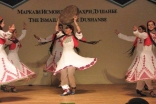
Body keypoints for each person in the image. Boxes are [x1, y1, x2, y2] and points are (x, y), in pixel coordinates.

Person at [54, 16, 99, 96]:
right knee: (63, 74)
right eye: (65, 29)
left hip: (72, 58)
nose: (65, 30)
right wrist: (58, 20)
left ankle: (73, 88)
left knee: (70, 74)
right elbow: (57, 30)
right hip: (64, 58)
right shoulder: (63, 37)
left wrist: (75, 21)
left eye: (67, 29)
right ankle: (66, 90)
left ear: (71, 30)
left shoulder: (75, 37)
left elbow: (79, 30)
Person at [115, 25, 149, 96]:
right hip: (139, 58)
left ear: (143, 30)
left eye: (140, 29)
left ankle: (144, 87)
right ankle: (141, 88)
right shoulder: (137, 38)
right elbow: (127, 38)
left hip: (146, 58)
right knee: (141, 72)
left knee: (146, 72)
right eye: (138, 29)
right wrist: (119, 34)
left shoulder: (147, 38)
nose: (139, 30)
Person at [1, 22, 36, 92]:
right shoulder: (10, 41)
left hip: (16, 56)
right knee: (13, 70)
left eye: (16, 32)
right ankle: (11, 86)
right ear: (12, 34)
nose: (16, 34)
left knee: (17, 70)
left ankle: (7, 85)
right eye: (15, 32)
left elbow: (22, 36)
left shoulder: (16, 40)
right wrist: (9, 32)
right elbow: (5, 37)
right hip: (11, 56)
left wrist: (24, 29)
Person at [126, 20, 156, 97]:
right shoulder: (145, 34)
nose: (150, 26)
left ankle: (139, 89)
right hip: (144, 57)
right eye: (149, 25)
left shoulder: (154, 35)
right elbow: (139, 34)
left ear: (154, 26)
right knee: (146, 74)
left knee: (143, 75)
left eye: (152, 25)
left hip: (150, 56)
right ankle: (151, 90)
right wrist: (135, 31)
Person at [0, 17, 27, 89]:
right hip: (8, 56)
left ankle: (9, 85)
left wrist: (24, 29)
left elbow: (8, 38)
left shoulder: (14, 40)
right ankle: (6, 85)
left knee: (10, 70)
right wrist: (10, 31)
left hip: (13, 56)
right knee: (9, 69)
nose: (4, 24)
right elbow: (6, 35)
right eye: (2, 23)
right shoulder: (3, 35)